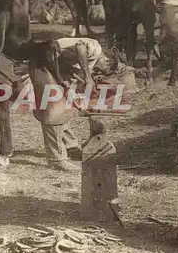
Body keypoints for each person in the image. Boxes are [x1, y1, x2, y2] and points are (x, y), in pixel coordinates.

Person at [29, 37, 118, 172]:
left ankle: (71, 147)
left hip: (52, 67)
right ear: (107, 61)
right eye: (102, 69)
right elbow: (80, 47)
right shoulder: (96, 48)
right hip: (43, 61)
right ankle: (56, 159)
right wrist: (87, 77)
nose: (98, 72)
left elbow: (69, 73)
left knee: (65, 108)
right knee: (54, 111)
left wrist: (77, 101)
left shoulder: (88, 64)